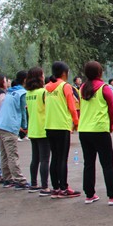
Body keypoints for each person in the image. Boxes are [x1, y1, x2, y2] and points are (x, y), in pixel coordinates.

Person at [78, 61, 113, 205]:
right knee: (107, 163)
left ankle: (89, 194)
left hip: (84, 129)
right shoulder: (104, 88)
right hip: (100, 129)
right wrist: (111, 125)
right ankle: (112, 195)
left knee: (88, 163)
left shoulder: (82, 88)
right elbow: (112, 110)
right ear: (100, 72)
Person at [44, 61, 81, 198]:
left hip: (49, 125)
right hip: (62, 125)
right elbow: (72, 107)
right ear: (64, 73)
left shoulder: (47, 87)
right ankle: (64, 188)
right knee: (62, 158)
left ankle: (56, 188)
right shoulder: (65, 86)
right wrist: (76, 122)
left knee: (55, 157)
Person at [0, 70, 30, 189]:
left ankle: (7, 179)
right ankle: (19, 180)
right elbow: (23, 111)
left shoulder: (10, 91)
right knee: (12, 154)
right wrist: (25, 126)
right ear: (25, 80)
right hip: (9, 126)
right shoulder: (22, 93)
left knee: (4, 154)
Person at [24, 68, 51, 193]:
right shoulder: (43, 92)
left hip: (33, 128)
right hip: (43, 128)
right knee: (44, 159)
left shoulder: (28, 93)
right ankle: (45, 186)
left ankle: (34, 184)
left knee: (35, 158)